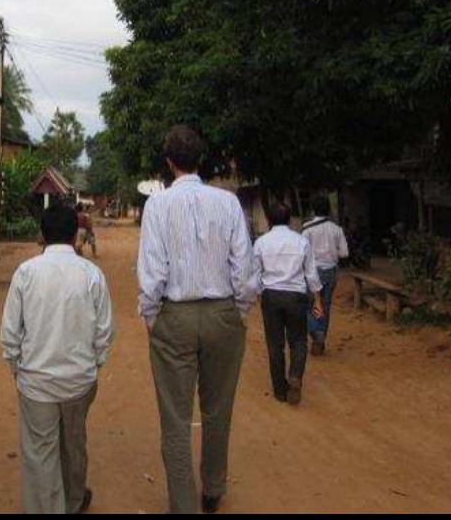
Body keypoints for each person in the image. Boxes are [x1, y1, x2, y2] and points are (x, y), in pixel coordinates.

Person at [137, 125, 259, 515]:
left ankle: (183, 504)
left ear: (169, 162)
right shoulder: (228, 203)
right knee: (218, 409)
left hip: (175, 317)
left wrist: (151, 315)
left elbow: (153, 271)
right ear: (200, 159)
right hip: (224, 314)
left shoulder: (157, 206)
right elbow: (245, 269)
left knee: (175, 418)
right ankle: (213, 489)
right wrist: (239, 311)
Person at [0, 204, 115, 514]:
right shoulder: (91, 274)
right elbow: (104, 331)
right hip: (79, 381)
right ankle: (73, 501)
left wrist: (18, 370)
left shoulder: (26, 273)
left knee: (40, 452)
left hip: (36, 382)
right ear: (76, 233)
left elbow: (10, 334)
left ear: (42, 234)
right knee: (73, 444)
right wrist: (92, 367)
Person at [253, 203, 324, 405]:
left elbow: (255, 273)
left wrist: (259, 294)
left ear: (269, 220)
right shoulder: (301, 241)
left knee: (275, 345)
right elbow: (311, 273)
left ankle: (280, 390)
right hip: (296, 297)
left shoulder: (261, 243)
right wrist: (317, 299)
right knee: (298, 341)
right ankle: (295, 376)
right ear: (290, 219)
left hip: (271, 296)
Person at [301, 194, 349, 355]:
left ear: (313, 210)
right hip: (331, 272)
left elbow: (302, 252)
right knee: (325, 305)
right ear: (328, 209)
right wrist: (331, 252)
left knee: (309, 304)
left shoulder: (307, 228)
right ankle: (321, 337)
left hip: (312, 272)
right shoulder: (337, 229)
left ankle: (316, 334)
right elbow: (344, 253)